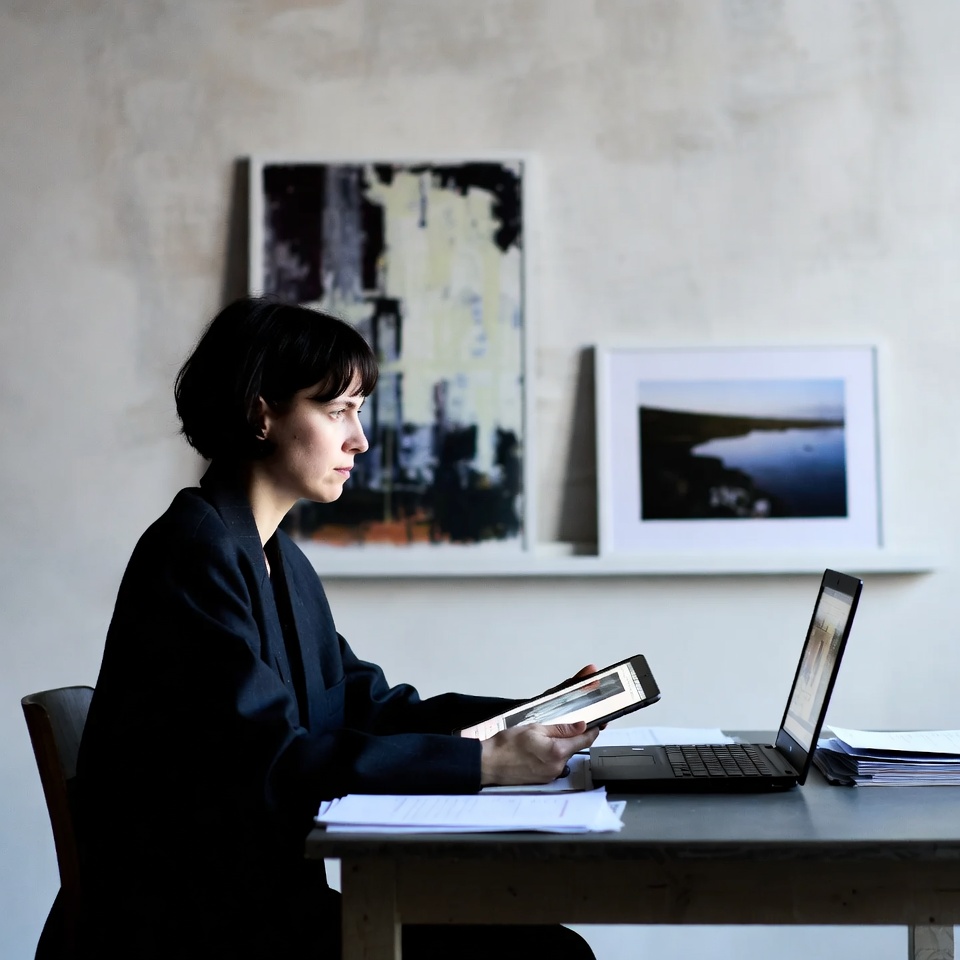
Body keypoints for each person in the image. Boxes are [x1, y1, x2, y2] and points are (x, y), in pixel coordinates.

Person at [68, 296, 599, 959]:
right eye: (337, 409)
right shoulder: (193, 553)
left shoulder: (276, 558)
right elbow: (274, 764)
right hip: (201, 930)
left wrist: (531, 716)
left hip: (264, 908)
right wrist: (489, 763)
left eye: (358, 411)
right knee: (549, 955)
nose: (360, 440)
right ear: (262, 412)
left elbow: (365, 707)